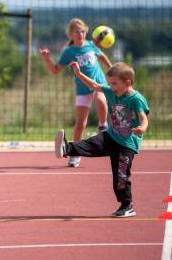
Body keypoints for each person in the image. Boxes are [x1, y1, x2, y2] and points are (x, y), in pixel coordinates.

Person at [55, 61, 149, 217]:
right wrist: (79, 74)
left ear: (128, 83)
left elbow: (143, 118)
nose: (111, 87)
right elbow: (94, 85)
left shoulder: (136, 99)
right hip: (111, 136)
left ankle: (127, 206)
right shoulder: (111, 92)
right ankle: (67, 148)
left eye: (114, 83)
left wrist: (143, 128)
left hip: (127, 144)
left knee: (121, 176)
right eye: (109, 83)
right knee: (90, 144)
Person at [39, 18, 112, 167]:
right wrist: (46, 59)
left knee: (100, 98)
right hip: (82, 88)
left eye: (83, 31)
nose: (80, 34)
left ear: (86, 32)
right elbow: (55, 70)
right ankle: (75, 154)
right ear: (71, 34)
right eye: (77, 31)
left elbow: (102, 56)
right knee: (80, 124)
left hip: (98, 83)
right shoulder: (69, 52)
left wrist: (111, 69)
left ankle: (103, 126)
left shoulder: (91, 46)